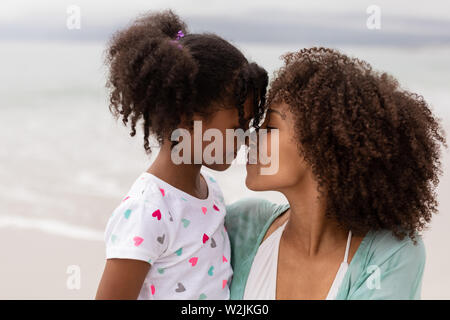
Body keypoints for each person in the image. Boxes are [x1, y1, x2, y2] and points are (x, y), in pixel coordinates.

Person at [226, 47, 447, 299]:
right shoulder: (241, 225)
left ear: (323, 145)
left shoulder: (390, 253)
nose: (250, 139)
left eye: (271, 127)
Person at [95, 9, 268, 300]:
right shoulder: (146, 211)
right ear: (185, 118)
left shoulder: (210, 191)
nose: (244, 137)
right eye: (236, 125)